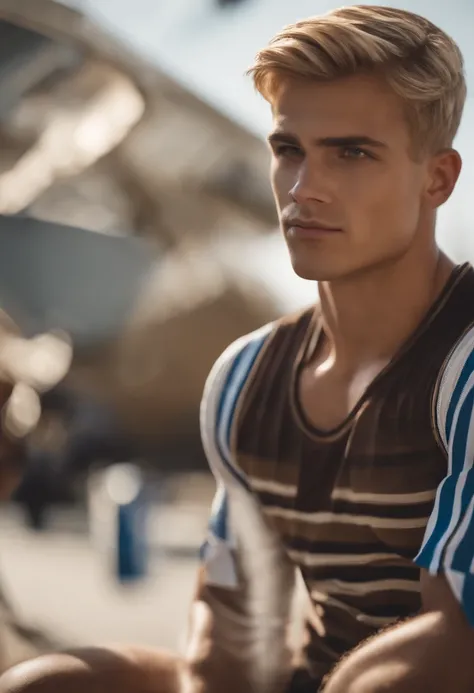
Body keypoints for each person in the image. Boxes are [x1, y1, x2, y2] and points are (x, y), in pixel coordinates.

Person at [1, 5, 474, 692]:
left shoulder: (461, 363)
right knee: (46, 683)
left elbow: (454, 647)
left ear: (438, 178)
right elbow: (226, 653)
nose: (304, 190)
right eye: (289, 151)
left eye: (351, 152)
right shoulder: (246, 377)